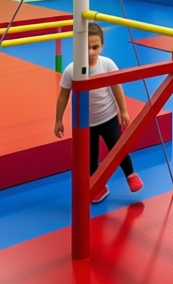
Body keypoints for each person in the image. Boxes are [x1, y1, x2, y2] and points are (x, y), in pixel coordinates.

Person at [53, 22, 140, 203]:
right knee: (90, 158)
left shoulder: (107, 64)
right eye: (86, 48)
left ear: (102, 45)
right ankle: (98, 186)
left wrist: (123, 110)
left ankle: (130, 174)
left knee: (118, 148)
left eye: (95, 47)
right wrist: (58, 120)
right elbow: (63, 96)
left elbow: (116, 87)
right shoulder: (71, 70)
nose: (91, 52)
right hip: (86, 123)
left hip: (108, 117)